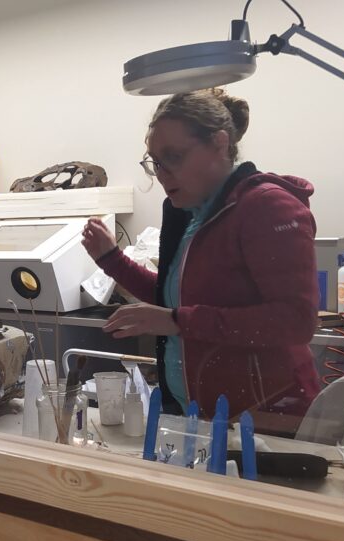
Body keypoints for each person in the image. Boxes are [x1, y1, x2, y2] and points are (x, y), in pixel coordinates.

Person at [82, 88, 320, 432]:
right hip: (205, 414)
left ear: (219, 144)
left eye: (174, 157)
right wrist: (112, 259)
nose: (162, 173)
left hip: (269, 415)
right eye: (155, 162)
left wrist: (177, 321)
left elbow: (295, 321)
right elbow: (175, 298)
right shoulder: (191, 214)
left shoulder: (267, 207)